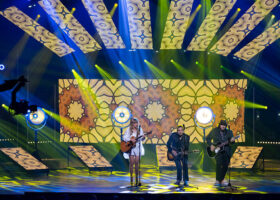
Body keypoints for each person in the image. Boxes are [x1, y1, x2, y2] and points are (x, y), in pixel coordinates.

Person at [206, 120, 235, 187]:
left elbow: (232, 142)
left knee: (225, 166)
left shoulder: (229, 132)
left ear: (226, 126)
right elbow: (208, 138)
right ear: (219, 125)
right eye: (222, 125)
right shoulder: (214, 131)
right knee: (219, 165)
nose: (223, 126)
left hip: (227, 151)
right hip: (218, 150)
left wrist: (233, 141)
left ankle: (222, 180)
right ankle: (217, 180)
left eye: (224, 125)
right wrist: (211, 145)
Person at [123, 118, 145, 186]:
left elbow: (141, 139)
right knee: (131, 163)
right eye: (134, 123)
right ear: (132, 124)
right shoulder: (129, 130)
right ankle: (131, 178)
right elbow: (124, 137)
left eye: (136, 123)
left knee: (137, 163)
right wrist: (130, 139)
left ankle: (137, 179)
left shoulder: (140, 130)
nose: (136, 124)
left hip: (137, 148)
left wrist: (143, 137)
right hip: (131, 148)